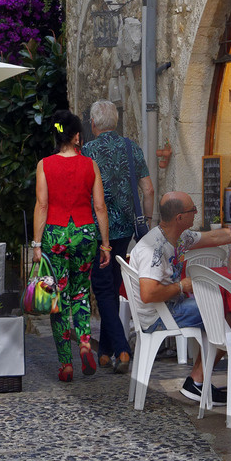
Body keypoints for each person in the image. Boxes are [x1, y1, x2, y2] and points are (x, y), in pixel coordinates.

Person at [128, 191, 231, 403]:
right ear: (180, 218)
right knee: (227, 316)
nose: (196, 213)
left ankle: (197, 381)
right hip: (158, 316)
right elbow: (148, 293)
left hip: (168, 307)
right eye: (192, 210)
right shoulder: (155, 249)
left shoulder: (177, 237)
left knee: (218, 310)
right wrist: (181, 286)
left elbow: (213, 237)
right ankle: (196, 381)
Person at [32, 110, 111, 383]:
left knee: (59, 299)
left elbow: (42, 205)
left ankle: (66, 364)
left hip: (55, 235)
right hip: (85, 233)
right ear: (77, 136)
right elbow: (100, 207)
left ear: (56, 135)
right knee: (80, 293)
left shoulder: (45, 165)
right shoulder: (90, 165)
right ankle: (86, 342)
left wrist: (36, 243)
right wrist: (106, 245)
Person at [81, 99, 154, 373]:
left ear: (93, 124)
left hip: (99, 232)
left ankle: (122, 350)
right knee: (111, 285)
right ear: (116, 122)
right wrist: (146, 220)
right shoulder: (130, 147)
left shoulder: (87, 151)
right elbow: (148, 190)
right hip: (126, 229)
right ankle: (106, 353)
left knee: (102, 288)